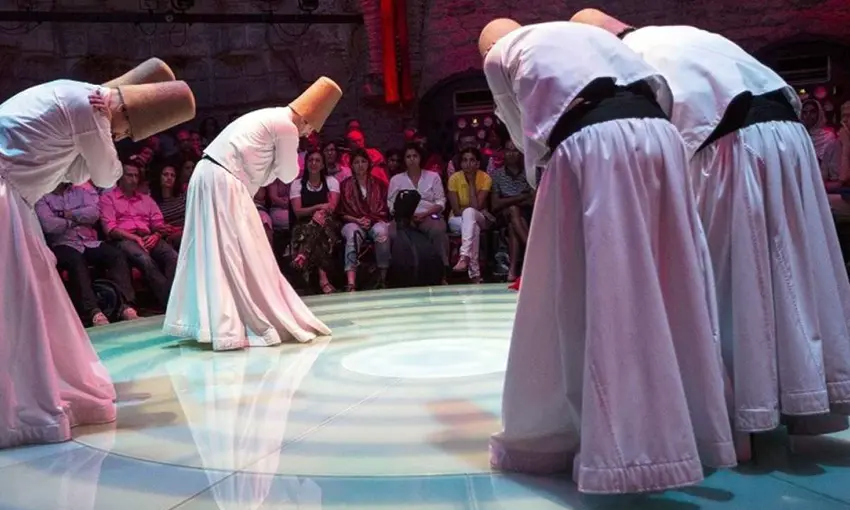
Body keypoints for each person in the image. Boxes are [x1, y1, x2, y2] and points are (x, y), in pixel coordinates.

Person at [572, 8, 850, 450]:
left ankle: (744, 413)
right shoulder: (681, 32)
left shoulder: (627, 63)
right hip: (789, 138)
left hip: (732, 144)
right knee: (798, 270)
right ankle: (801, 393)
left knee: (729, 277)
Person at [478, 18, 736, 493]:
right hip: (660, 136)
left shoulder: (500, 54)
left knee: (594, 288)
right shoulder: (585, 38)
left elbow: (523, 131)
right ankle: (691, 428)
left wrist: (548, 181)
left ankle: (611, 448)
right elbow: (658, 87)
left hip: (592, 146)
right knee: (668, 277)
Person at [0, 58, 196, 449]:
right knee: (15, 304)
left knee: (27, 296)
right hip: (5, 197)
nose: (121, 137)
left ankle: (31, 384)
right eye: (124, 132)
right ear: (122, 111)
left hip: (12, 198)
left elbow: (75, 171)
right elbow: (106, 175)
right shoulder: (92, 110)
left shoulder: (75, 94)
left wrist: (87, 160)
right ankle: (21, 403)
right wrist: (103, 144)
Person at [163, 77, 341, 351]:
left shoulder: (270, 116)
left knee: (216, 252)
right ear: (306, 119)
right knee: (244, 250)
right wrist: (283, 159)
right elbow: (289, 173)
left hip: (210, 175)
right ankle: (235, 323)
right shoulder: (286, 126)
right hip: (223, 180)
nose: (307, 135)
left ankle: (214, 321)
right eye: (310, 128)